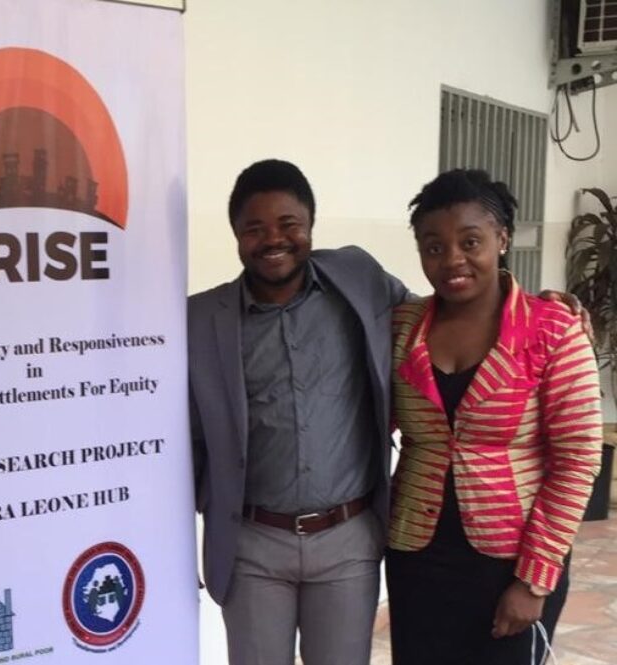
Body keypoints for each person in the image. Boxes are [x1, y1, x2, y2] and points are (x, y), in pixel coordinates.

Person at [189, 159, 405, 664]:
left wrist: (521, 302)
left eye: (289, 225)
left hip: (347, 539)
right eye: (255, 229)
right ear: (236, 236)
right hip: (253, 544)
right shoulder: (200, 319)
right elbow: (180, 430)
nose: (274, 240)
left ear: (310, 225)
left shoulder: (359, 278)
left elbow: (436, 318)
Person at [385, 169, 603, 664]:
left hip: (511, 557)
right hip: (416, 551)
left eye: (470, 241)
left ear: (502, 239)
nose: (452, 260)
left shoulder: (552, 330)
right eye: (433, 247)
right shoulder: (401, 327)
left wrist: (534, 578)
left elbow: (577, 458)